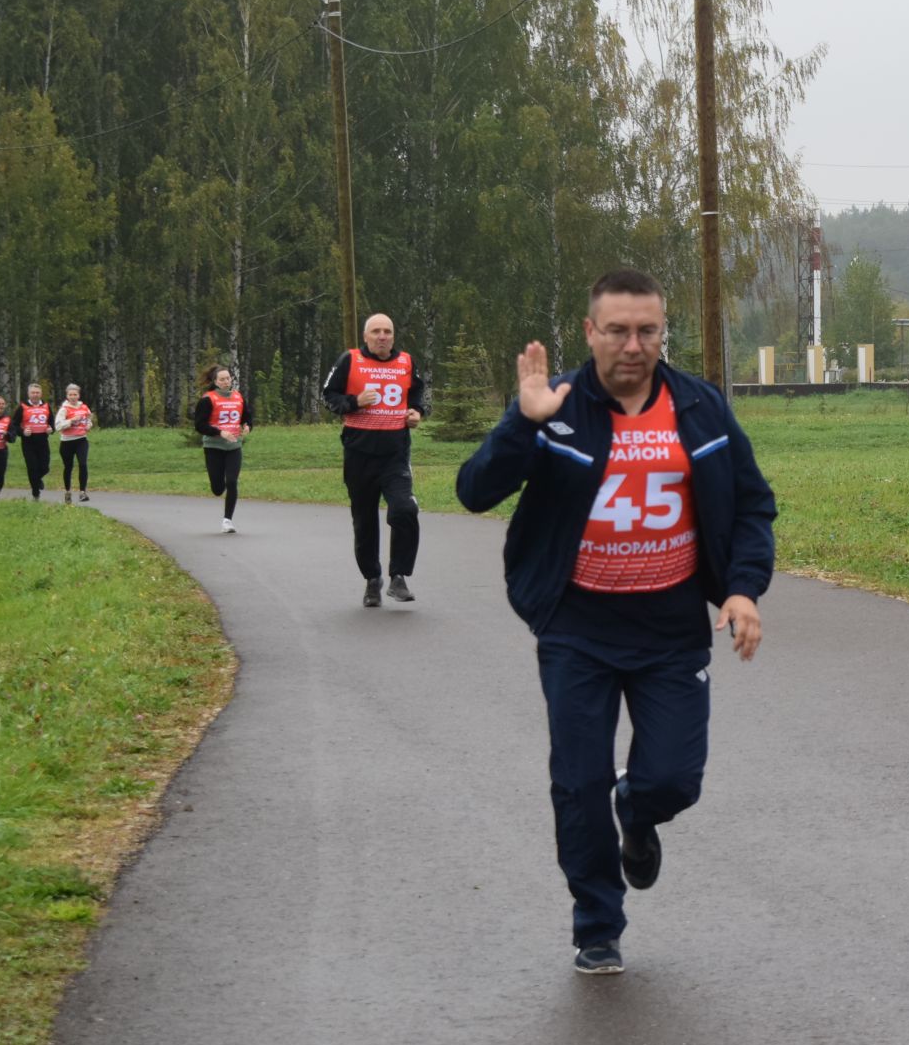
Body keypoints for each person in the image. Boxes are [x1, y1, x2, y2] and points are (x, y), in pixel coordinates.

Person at [457, 268, 776, 977]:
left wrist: (743, 590)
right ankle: (597, 922)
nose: (634, 345)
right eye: (619, 330)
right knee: (577, 780)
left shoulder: (700, 409)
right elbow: (475, 490)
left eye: (648, 330)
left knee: (674, 781)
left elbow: (753, 504)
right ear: (590, 331)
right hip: (577, 627)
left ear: (664, 331)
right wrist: (523, 420)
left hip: (669, 629)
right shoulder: (558, 407)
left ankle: (637, 807)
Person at [321, 314, 427, 607]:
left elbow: (418, 392)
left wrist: (417, 412)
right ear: (366, 336)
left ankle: (399, 577)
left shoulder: (406, 362)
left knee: (404, 510)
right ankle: (372, 580)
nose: (382, 336)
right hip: (359, 455)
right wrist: (354, 402)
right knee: (364, 521)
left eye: (388, 332)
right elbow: (328, 395)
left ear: (393, 336)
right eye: (376, 332)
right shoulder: (350, 360)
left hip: (395, 454)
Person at [192, 365, 252, 533]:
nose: (226, 382)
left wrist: (247, 426)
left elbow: (247, 416)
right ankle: (220, 487)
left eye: (228, 378)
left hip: (234, 447)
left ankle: (227, 521)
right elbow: (199, 425)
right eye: (222, 379)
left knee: (232, 481)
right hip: (214, 447)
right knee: (218, 489)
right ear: (215, 382)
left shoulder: (238, 397)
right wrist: (220, 432)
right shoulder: (208, 399)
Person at [10, 382, 54, 500]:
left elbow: (52, 423)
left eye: (37, 393)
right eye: (33, 393)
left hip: (43, 441)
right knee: (32, 467)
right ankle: (35, 493)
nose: (35, 395)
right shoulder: (22, 407)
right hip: (28, 442)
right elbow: (13, 425)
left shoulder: (46, 406)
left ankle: (37, 480)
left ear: (41, 394)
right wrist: (22, 432)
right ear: (28, 394)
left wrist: (51, 429)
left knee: (45, 467)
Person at [55, 383, 94, 503]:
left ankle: (82, 492)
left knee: (83, 463)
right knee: (68, 467)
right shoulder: (64, 409)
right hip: (67, 441)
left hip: (81, 439)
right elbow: (58, 426)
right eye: (70, 394)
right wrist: (71, 420)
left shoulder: (84, 407)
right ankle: (67, 491)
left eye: (75, 394)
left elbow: (88, 420)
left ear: (78, 395)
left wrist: (88, 425)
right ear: (67, 396)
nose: (73, 397)